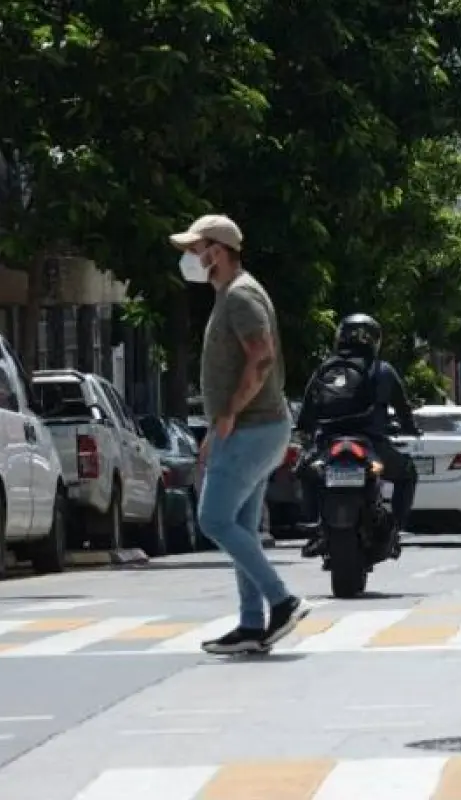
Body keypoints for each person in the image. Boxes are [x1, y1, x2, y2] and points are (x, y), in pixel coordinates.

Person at [170, 213, 308, 655]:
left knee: (213, 520)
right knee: (241, 527)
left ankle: (282, 599)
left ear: (218, 251)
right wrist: (218, 427)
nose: (190, 257)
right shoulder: (231, 294)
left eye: (196, 248)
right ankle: (252, 625)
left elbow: (262, 357)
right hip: (252, 427)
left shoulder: (240, 296)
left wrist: (229, 413)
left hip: (254, 426)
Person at [296, 313, 420, 558]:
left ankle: (313, 524)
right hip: (370, 442)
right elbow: (404, 409)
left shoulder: (325, 368)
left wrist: (307, 431)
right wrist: (409, 427)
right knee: (407, 474)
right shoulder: (382, 370)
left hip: (328, 443)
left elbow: (306, 412)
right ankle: (396, 529)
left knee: (305, 471)